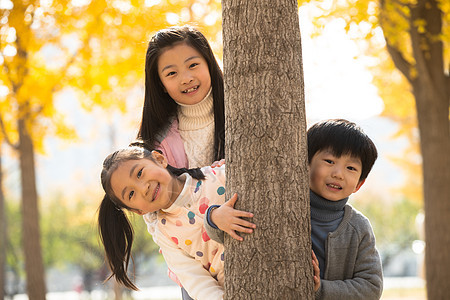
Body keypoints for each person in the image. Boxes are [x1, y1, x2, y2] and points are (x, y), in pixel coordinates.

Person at [205, 119, 383, 299]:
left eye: (351, 168)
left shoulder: (358, 227)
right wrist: (215, 217)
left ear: (359, 184)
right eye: (329, 161)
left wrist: (320, 289)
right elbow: (232, 235)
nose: (338, 174)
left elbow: (371, 287)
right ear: (304, 164)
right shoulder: (280, 204)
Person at [137, 25, 225, 299]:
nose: (186, 78)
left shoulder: (239, 108)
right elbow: (158, 219)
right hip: (198, 263)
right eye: (172, 73)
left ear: (209, 63)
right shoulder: (158, 144)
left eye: (193, 65)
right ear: (160, 84)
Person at [98, 145, 230, 300]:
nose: (143, 188)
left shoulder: (215, 176)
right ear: (138, 211)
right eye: (131, 193)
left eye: (140, 173)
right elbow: (196, 281)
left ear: (159, 159)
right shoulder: (165, 234)